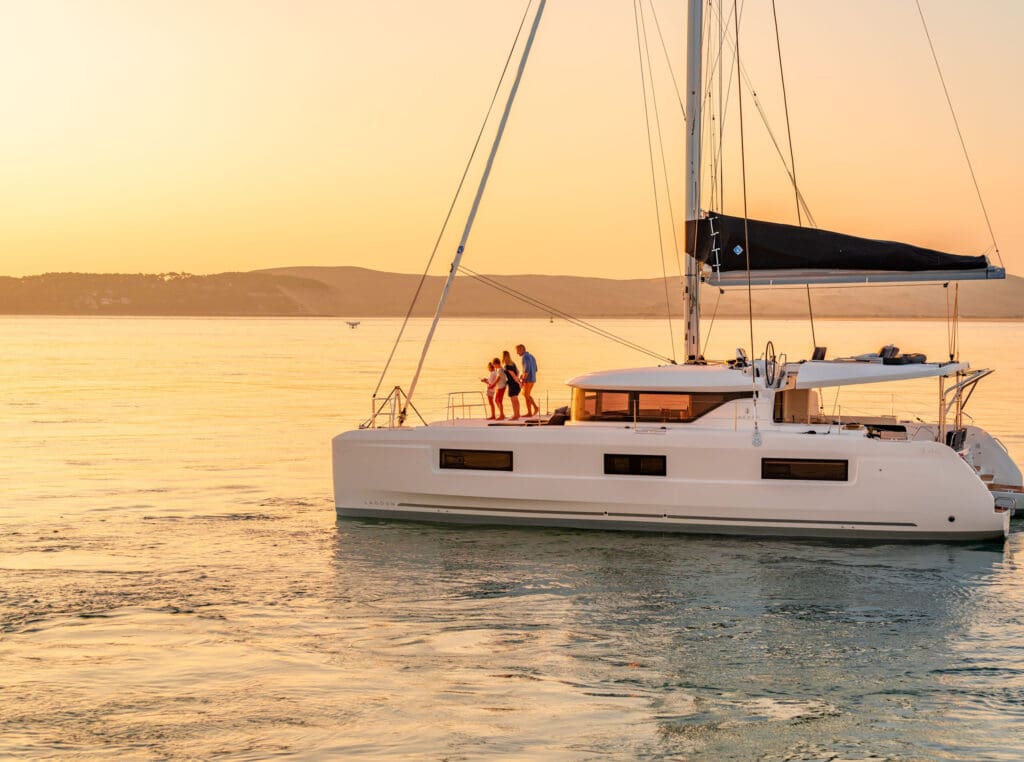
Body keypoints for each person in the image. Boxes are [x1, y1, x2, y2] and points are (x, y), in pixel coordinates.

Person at [516, 343, 539, 417]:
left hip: (528, 379)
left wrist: (523, 378)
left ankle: (530, 412)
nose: (517, 353)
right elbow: (535, 369)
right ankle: (535, 408)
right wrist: (523, 375)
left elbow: (527, 369)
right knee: (526, 394)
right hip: (533, 378)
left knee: (526, 394)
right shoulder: (532, 356)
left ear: (522, 349)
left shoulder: (525, 357)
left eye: (518, 351)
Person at [501, 349, 522, 420]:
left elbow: (513, 375)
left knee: (514, 401)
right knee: (516, 400)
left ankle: (515, 416)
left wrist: (518, 382)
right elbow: (518, 372)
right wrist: (518, 380)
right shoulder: (513, 363)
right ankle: (517, 414)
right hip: (515, 383)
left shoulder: (507, 366)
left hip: (513, 384)